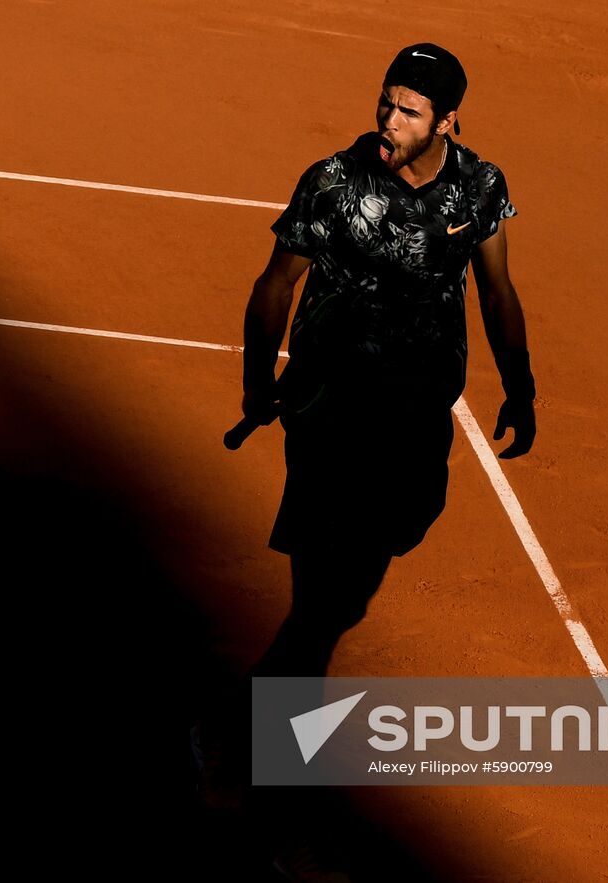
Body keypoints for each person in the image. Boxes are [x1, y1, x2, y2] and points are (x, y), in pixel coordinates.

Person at [193, 41, 538, 878]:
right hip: (330, 413)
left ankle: (229, 725)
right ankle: (275, 812)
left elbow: (495, 288)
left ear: (447, 120)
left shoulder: (479, 187)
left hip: (415, 420)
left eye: (409, 111)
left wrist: (520, 385)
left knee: (352, 585)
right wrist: (256, 384)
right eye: (386, 104)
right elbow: (277, 284)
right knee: (319, 610)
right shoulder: (334, 182)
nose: (388, 121)